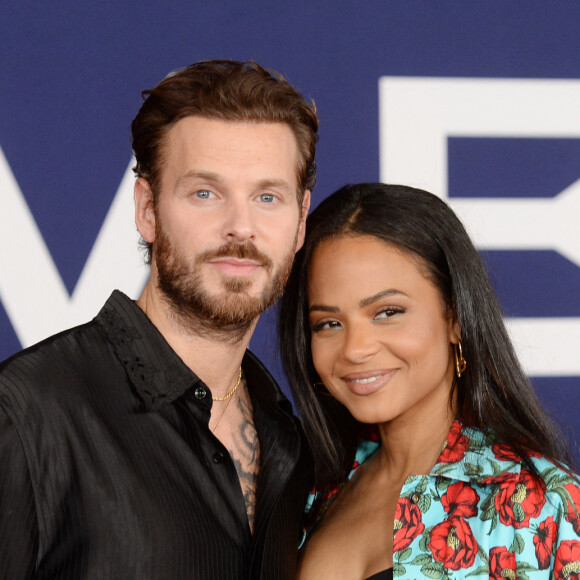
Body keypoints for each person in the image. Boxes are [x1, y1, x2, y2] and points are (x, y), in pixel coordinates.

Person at [0, 59, 318, 579]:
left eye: (267, 197)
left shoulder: (291, 441)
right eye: (205, 193)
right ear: (147, 209)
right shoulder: (26, 415)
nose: (241, 227)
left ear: (300, 220)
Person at [278, 182, 580, 579]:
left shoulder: (543, 503)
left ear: (455, 318)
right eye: (329, 323)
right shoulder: (309, 490)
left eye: (388, 312)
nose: (354, 348)